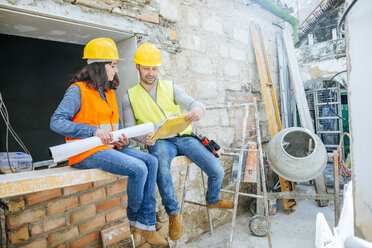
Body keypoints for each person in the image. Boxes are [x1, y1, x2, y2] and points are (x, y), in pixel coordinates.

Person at [50, 38, 167, 245]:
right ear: (98, 66)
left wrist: (121, 138)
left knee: (151, 161)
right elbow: (56, 122)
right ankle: (136, 220)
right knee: (139, 168)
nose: (116, 70)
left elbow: (112, 128)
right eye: (112, 65)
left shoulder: (109, 93)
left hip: (109, 147)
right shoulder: (78, 90)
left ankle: (146, 222)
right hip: (84, 153)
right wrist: (91, 131)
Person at [122, 43, 234, 241]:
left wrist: (199, 109)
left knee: (217, 170)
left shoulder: (169, 86)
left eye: (154, 68)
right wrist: (143, 138)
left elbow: (193, 103)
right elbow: (131, 131)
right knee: (162, 171)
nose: (150, 72)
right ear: (137, 66)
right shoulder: (129, 97)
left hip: (183, 137)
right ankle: (174, 214)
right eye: (146, 68)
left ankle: (212, 200)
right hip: (159, 142)